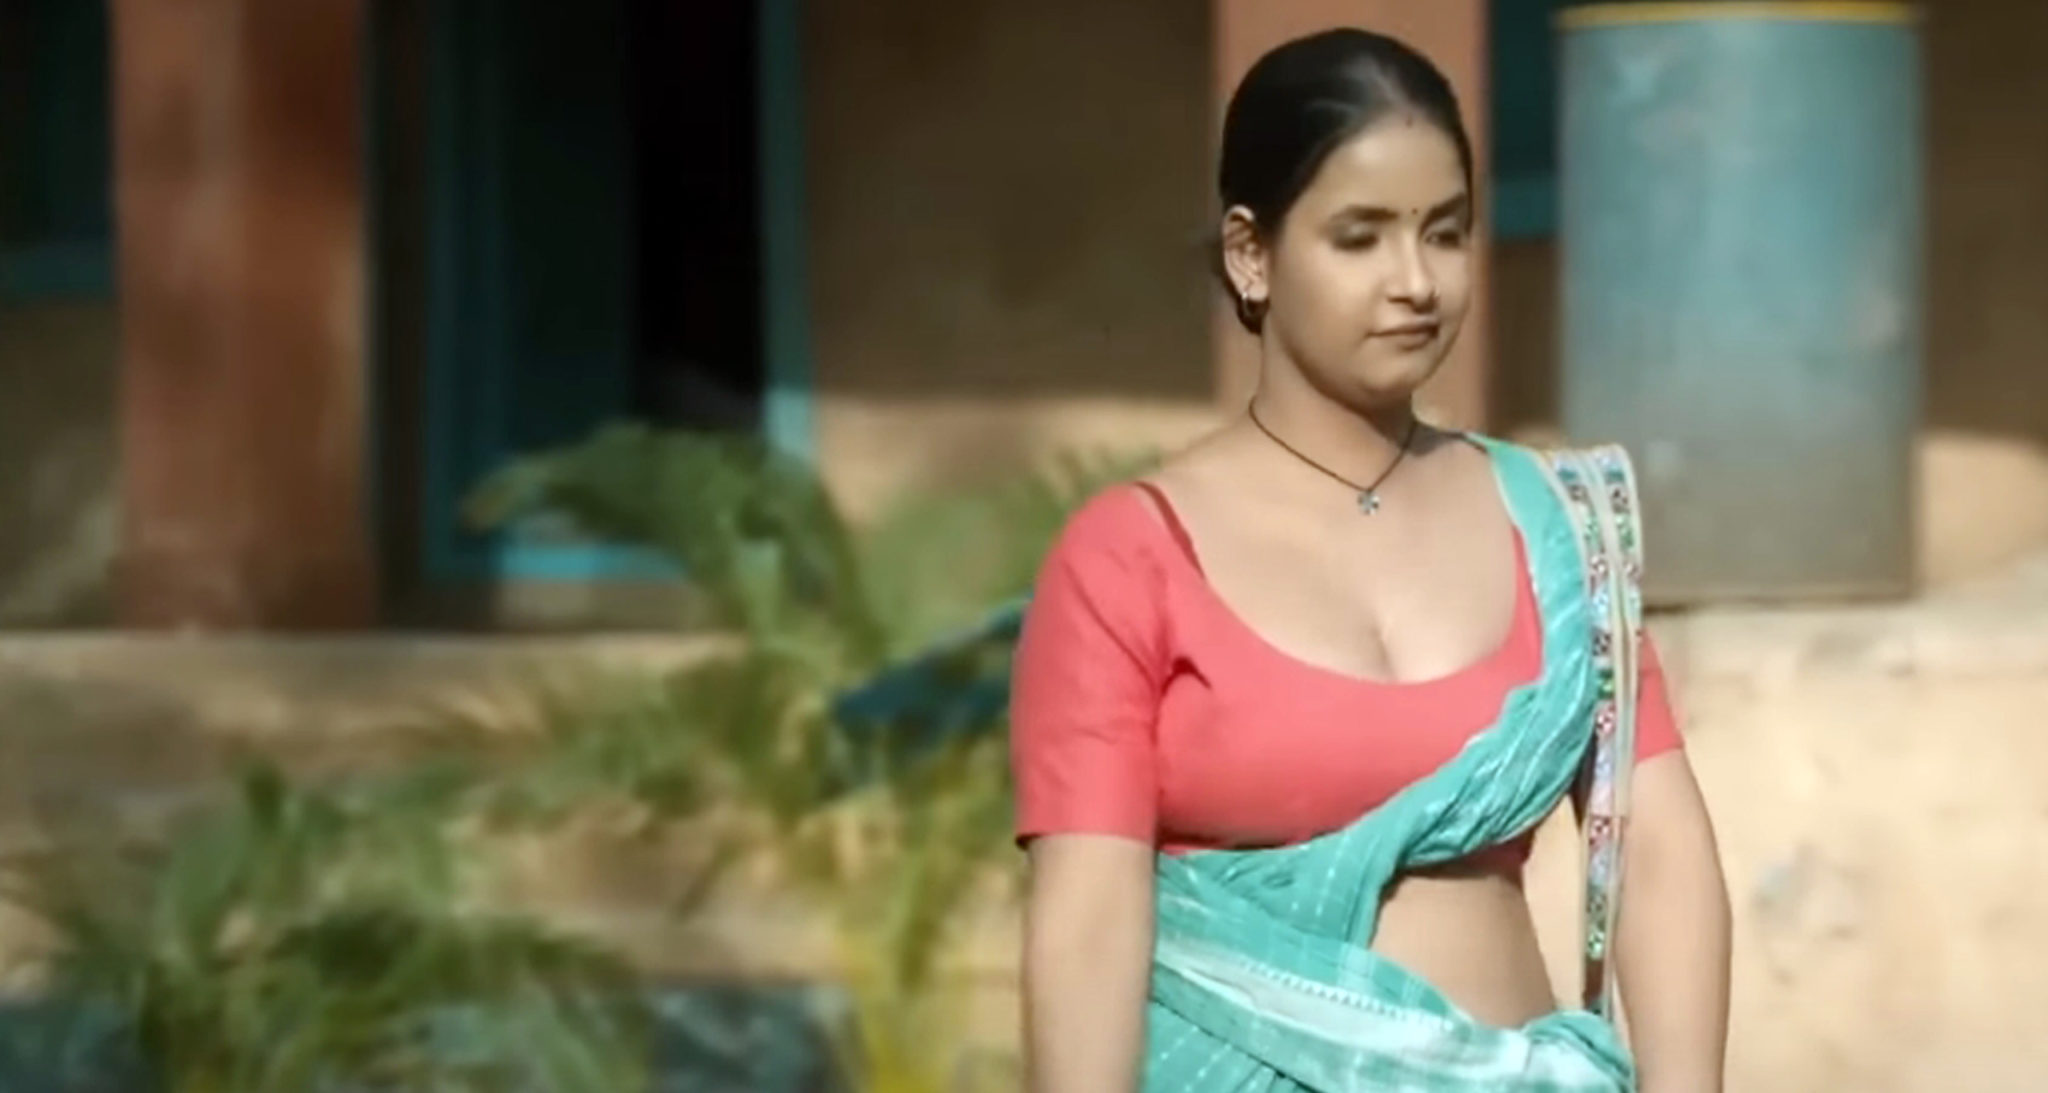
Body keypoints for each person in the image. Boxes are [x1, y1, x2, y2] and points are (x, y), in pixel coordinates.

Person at [1008, 27, 1731, 1093]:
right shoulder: (1129, 559)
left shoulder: (1558, 525)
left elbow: (1659, 853)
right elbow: (1086, 927)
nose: (1415, 282)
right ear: (1251, 254)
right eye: (1359, 238)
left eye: (1445, 233)